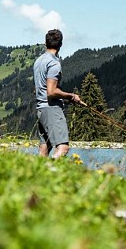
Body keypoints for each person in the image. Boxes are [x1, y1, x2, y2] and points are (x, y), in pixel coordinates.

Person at [33, 28, 82, 159]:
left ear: (46, 43)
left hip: (41, 109)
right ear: (60, 44)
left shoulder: (38, 61)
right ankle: (53, 172)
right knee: (63, 147)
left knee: (45, 146)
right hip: (51, 109)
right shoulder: (54, 63)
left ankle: (37, 174)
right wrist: (71, 96)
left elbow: (38, 88)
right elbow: (51, 91)